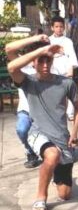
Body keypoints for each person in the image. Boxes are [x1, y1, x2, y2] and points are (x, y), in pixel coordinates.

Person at [7, 43, 78, 210]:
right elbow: (12, 65)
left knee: (65, 194)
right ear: (33, 62)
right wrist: (41, 49)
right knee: (51, 155)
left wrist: (75, 132)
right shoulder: (28, 81)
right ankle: (41, 196)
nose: (44, 65)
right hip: (37, 133)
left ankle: (51, 171)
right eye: (40, 61)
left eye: (47, 60)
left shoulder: (66, 83)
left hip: (62, 138)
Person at [5, 34, 51, 169]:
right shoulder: (23, 67)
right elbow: (9, 49)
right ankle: (31, 152)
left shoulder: (49, 66)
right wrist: (36, 38)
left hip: (45, 111)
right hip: (26, 110)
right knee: (22, 129)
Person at [49, 16, 78, 120]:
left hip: (66, 70)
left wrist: (70, 70)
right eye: (56, 26)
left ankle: (70, 113)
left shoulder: (68, 41)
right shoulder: (48, 41)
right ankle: (55, 112)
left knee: (68, 91)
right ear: (52, 27)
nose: (59, 29)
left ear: (64, 28)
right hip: (53, 69)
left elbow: (72, 57)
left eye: (61, 26)